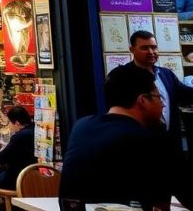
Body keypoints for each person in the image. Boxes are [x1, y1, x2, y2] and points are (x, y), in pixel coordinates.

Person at [59, 65, 172, 209]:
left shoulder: (81, 127)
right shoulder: (152, 139)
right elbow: (192, 194)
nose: (162, 105)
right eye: (159, 97)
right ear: (142, 100)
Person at [121, 30, 193, 208]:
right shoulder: (122, 76)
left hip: (170, 149)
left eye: (154, 47)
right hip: (143, 154)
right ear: (132, 49)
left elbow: (184, 95)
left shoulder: (165, 74)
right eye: (145, 48)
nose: (151, 52)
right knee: (154, 203)